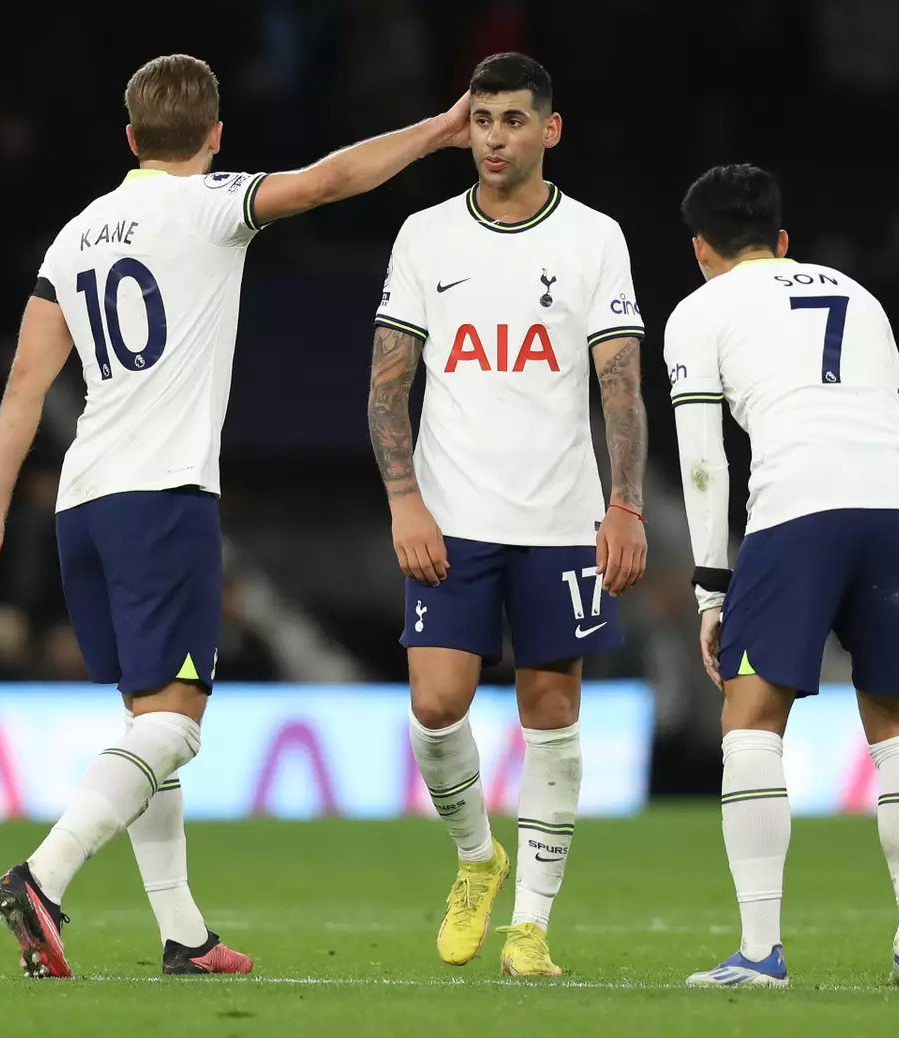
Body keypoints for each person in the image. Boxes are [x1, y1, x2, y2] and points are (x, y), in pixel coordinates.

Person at [0, 53, 470, 979]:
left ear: (130, 138)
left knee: (149, 722)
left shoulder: (74, 237)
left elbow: (27, 383)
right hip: (162, 497)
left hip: (82, 505)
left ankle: (183, 935)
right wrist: (437, 130)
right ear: (216, 136)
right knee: (178, 724)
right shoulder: (213, 204)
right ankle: (43, 875)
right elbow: (329, 181)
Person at [368, 52, 647, 978]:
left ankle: (531, 926)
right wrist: (406, 501)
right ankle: (475, 860)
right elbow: (386, 387)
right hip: (450, 516)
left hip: (561, 519)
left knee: (550, 709)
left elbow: (620, 386)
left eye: (513, 120)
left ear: (549, 130)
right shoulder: (425, 236)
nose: (494, 137)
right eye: (481, 120)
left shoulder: (595, 237)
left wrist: (625, 503)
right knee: (436, 703)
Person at [667, 164, 899, 989]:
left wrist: (711, 588)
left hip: (800, 507)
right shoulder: (861, 295)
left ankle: (760, 951)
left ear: (701, 250)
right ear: (783, 241)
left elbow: (704, 461)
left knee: (750, 722)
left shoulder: (700, 308)